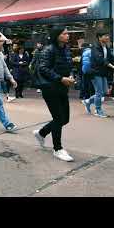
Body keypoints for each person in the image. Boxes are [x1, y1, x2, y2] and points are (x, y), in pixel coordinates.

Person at [33, 27, 75, 162]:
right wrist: (61, 78)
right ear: (57, 36)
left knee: (65, 119)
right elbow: (43, 68)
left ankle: (41, 133)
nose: (67, 35)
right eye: (64, 33)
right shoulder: (48, 50)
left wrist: (71, 76)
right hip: (50, 88)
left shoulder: (66, 49)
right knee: (58, 118)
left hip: (62, 88)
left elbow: (69, 66)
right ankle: (58, 149)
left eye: (67, 33)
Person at [83, 31, 114, 118]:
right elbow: (100, 59)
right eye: (105, 36)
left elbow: (111, 57)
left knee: (104, 92)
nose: (107, 37)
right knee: (99, 92)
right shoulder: (95, 47)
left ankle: (88, 101)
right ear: (99, 38)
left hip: (103, 72)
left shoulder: (106, 46)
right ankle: (98, 110)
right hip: (95, 72)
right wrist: (111, 66)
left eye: (108, 36)